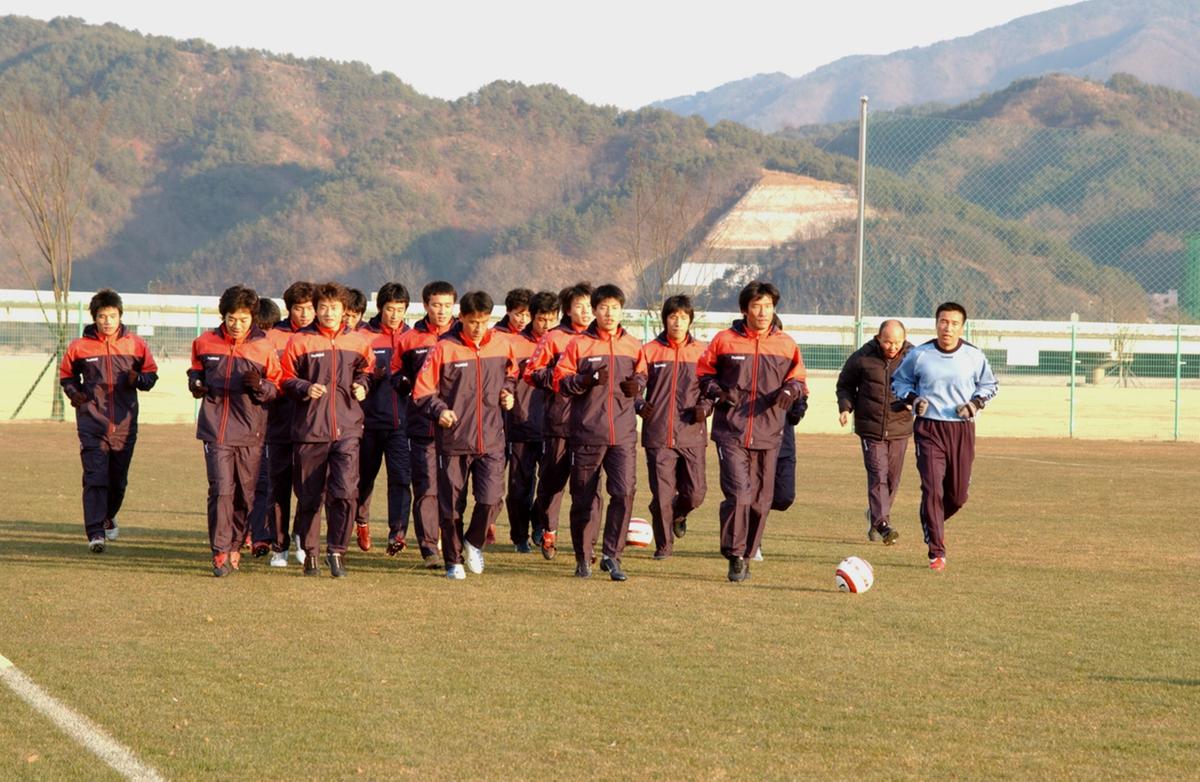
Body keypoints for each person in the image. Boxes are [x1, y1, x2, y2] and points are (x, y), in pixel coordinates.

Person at [698, 281, 806, 583]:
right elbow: (704, 374)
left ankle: (748, 553)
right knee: (739, 495)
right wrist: (718, 391)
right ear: (745, 309)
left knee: (760, 500)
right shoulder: (724, 340)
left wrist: (790, 391)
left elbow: (800, 380)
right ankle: (734, 554)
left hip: (769, 433)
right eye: (757, 305)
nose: (763, 311)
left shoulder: (786, 344)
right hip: (731, 432)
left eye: (768, 306)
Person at [411, 291, 517, 580]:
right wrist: (439, 410)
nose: (478, 328)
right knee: (451, 506)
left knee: (491, 499)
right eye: (472, 322)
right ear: (462, 318)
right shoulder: (444, 348)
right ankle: (453, 561)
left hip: (493, 438)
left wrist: (508, 392)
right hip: (455, 439)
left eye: (483, 322)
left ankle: (473, 542)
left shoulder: (502, 344)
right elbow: (422, 390)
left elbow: (512, 374)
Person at [892, 302, 998, 571]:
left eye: (953, 323)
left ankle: (931, 519)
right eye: (942, 321)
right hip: (929, 428)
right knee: (932, 488)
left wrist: (974, 404)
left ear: (962, 327)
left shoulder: (974, 356)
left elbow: (990, 385)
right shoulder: (920, 354)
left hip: (961, 429)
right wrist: (915, 400)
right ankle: (936, 551)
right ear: (936, 323)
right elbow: (899, 382)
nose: (947, 328)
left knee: (958, 495)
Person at [280, 282, 375, 577]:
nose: (328, 313)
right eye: (322, 308)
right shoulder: (300, 342)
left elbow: (368, 371)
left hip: (347, 430)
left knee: (345, 492)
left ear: (345, 311)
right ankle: (310, 554)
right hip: (310, 431)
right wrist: (306, 388)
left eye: (334, 308)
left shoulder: (358, 341)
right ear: (315, 309)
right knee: (309, 496)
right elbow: (284, 377)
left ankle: (337, 551)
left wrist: (363, 385)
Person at [553, 284, 647, 581]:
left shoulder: (632, 344)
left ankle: (612, 555)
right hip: (586, 433)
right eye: (604, 308)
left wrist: (638, 386)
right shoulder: (579, 345)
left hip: (623, 434)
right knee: (584, 497)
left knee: (624, 492)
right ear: (594, 310)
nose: (610, 313)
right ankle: (583, 557)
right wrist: (586, 379)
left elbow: (642, 375)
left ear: (622, 310)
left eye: (615, 308)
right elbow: (560, 382)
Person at [187, 285, 283, 576]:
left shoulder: (264, 346)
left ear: (252, 318)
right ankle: (219, 552)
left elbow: (276, 387)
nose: (237, 324)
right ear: (224, 316)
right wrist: (196, 384)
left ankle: (235, 546)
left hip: (251, 431)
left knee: (244, 494)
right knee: (221, 490)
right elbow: (195, 372)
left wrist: (261, 386)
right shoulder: (204, 342)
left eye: (243, 319)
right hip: (215, 429)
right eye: (231, 318)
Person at [59, 288, 158, 552]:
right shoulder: (79, 347)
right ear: (94, 318)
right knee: (95, 476)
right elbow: (67, 377)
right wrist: (74, 393)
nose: (107, 321)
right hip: (91, 421)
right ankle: (95, 534)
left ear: (120, 316)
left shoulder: (136, 344)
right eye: (102, 316)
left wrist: (139, 380)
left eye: (111, 315)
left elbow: (150, 375)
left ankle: (108, 515)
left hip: (125, 423)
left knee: (118, 480)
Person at [522, 282, 592, 560]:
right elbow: (531, 373)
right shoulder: (554, 338)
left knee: (588, 486)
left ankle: (585, 543)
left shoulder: (600, 339)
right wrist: (560, 380)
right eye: (580, 306)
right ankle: (548, 529)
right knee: (553, 482)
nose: (586, 312)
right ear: (567, 309)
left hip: (592, 427)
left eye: (590, 306)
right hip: (559, 422)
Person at [391, 280, 457, 568]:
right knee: (427, 487)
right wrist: (403, 383)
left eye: (446, 305)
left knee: (456, 488)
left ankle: (458, 542)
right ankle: (430, 548)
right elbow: (395, 372)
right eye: (435, 305)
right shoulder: (409, 338)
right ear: (425, 305)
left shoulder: (460, 338)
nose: (441, 311)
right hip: (421, 426)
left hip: (458, 427)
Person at [638, 294, 709, 559]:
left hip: (692, 432)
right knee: (662, 495)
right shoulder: (649, 350)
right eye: (672, 316)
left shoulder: (702, 351)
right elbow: (636, 384)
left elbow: (711, 387)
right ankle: (664, 546)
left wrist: (706, 406)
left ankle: (679, 514)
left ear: (690, 320)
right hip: (658, 435)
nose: (677, 322)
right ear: (665, 319)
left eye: (682, 317)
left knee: (696, 494)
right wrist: (638, 403)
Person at [836, 319, 913, 546]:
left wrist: (915, 401)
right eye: (888, 342)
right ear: (879, 338)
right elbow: (845, 384)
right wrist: (845, 408)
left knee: (892, 478)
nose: (892, 347)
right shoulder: (863, 357)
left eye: (897, 342)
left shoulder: (914, 357)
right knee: (878, 475)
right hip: (870, 426)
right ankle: (883, 525)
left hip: (900, 426)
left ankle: (875, 517)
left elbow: (925, 384)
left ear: (904, 339)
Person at [496, 290, 555, 553]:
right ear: (532, 317)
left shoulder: (561, 343)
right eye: (542, 319)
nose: (547, 325)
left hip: (553, 426)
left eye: (552, 319)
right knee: (520, 488)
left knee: (550, 484)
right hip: (520, 424)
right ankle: (519, 536)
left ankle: (540, 525)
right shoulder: (514, 343)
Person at [354, 282, 412, 554]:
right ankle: (361, 521)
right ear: (381, 309)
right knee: (364, 479)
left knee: (401, 478)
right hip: (367, 422)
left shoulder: (412, 336)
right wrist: (369, 380)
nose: (394, 314)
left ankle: (397, 534)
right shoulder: (363, 335)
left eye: (400, 309)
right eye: (390, 309)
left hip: (402, 424)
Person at [263, 281, 316, 567]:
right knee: (279, 486)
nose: (305, 313)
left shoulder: (320, 337)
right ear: (289, 309)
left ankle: (303, 538)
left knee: (309, 487)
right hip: (280, 423)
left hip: (312, 425)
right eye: (299, 308)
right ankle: (278, 545)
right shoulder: (272, 336)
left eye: (309, 307)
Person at [246, 296, 282, 556]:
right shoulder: (248, 350)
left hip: (277, 426)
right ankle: (252, 533)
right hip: (248, 425)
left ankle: (262, 535)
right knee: (250, 482)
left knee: (268, 483)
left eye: (269, 328)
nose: (265, 334)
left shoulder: (278, 350)